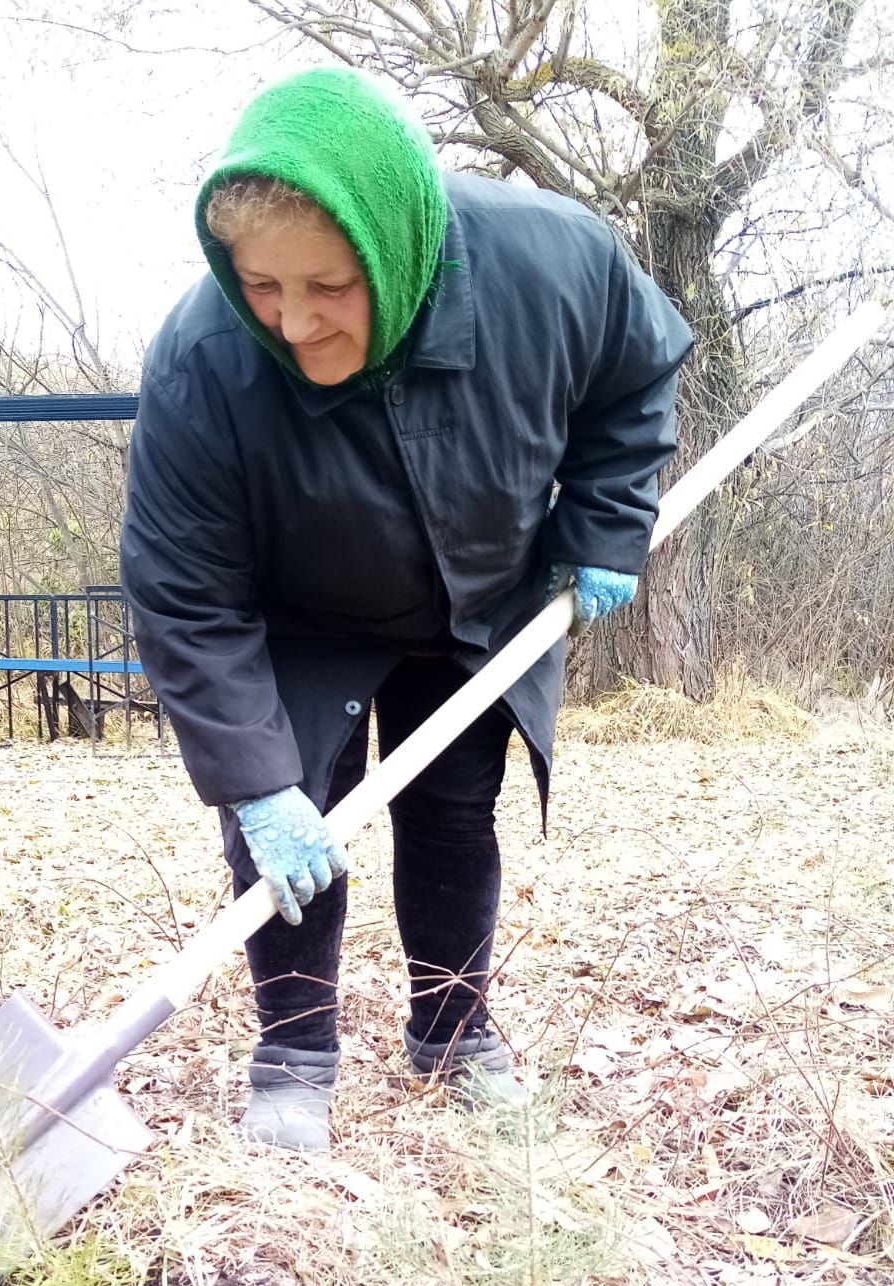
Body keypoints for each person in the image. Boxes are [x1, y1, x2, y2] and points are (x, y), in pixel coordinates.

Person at [120, 67, 693, 1151]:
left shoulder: (551, 260)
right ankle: (293, 1052)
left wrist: (606, 527)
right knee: (288, 826)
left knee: (452, 812)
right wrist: (257, 784)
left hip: (481, 599)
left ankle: (455, 1030)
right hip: (301, 614)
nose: (292, 322)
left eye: (329, 285)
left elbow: (636, 376)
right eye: (263, 286)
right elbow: (182, 587)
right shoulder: (204, 360)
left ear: (392, 242)